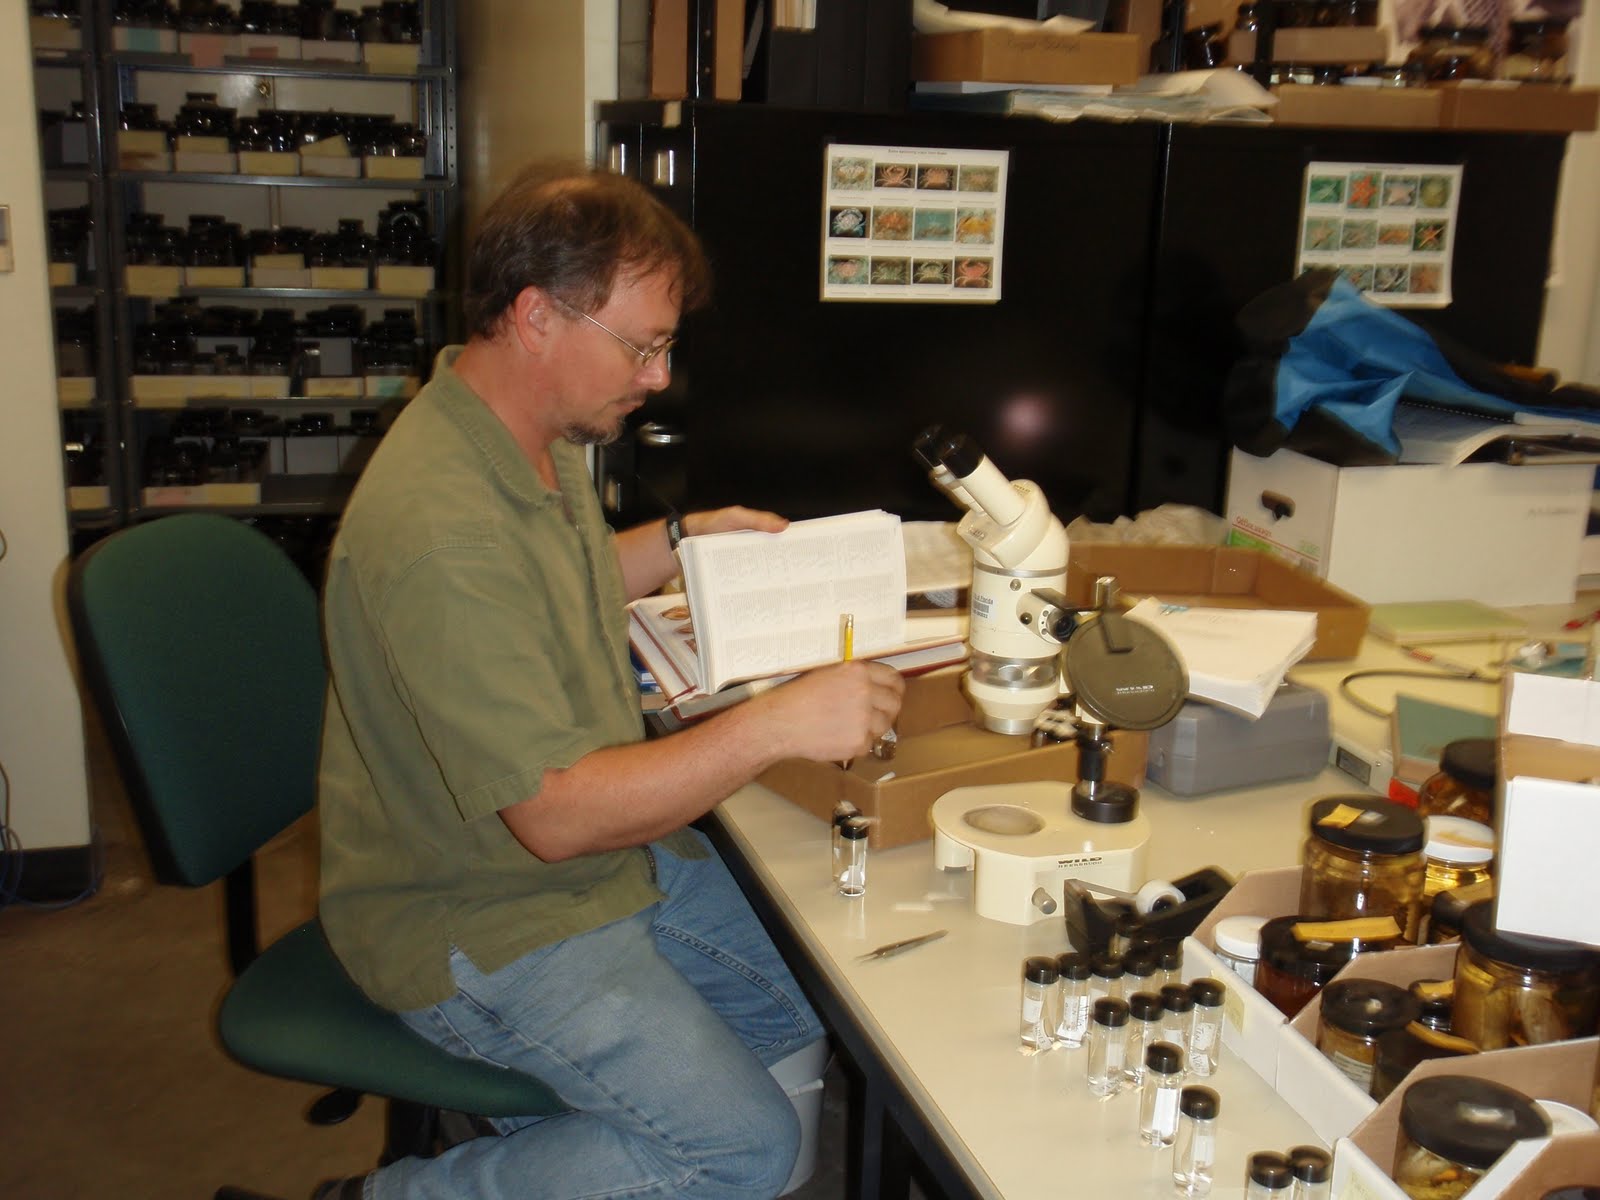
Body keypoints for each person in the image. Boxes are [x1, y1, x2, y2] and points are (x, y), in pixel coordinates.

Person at [315, 161, 905, 1199]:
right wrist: (773, 725)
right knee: (744, 1151)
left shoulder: (515, 426)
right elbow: (552, 815)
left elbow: (549, 577)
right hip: (476, 915)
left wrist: (680, 545)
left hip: (587, 868)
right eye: (644, 346)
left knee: (815, 1002)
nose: (659, 377)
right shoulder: (439, 524)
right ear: (538, 316)